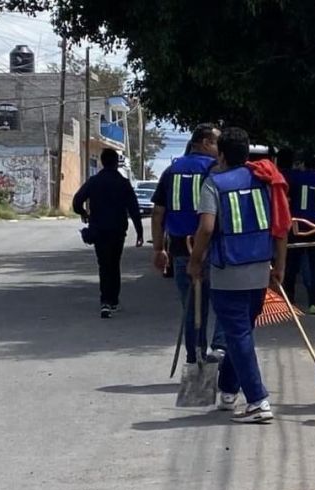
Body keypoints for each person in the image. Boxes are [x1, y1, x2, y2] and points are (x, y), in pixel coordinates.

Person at [188, 127, 291, 423]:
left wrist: (196, 261)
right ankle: (228, 390)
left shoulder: (214, 184)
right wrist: (280, 266)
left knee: (238, 334)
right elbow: (280, 228)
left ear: (220, 154)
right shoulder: (265, 181)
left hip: (227, 272)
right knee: (241, 331)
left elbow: (206, 228)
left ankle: (258, 401)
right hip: (259, 268)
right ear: (246, 153)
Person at [151, 124, 226, 374]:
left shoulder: (171, 171)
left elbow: (158, 212)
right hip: (213, 249)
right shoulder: (215, 171)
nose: (219, 148)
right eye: (217, 142)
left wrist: (159, 248)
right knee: (227, 302)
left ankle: (195, 360)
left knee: (193, 310)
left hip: (181, 250)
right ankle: (218, 348)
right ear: (205, 143)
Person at [73, 148, 144, 318]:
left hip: (99, 230)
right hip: (118, 230)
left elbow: (77, 201)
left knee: (104, 265)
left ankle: (105, 301)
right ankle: (113, 301)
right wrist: (140, 233)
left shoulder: (94, 181)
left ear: (102, 162)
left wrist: (84, 213)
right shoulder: (123, 183)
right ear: (116, 162)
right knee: (114, 264)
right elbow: (134, 209)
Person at [278, 148, 315, 314]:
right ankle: (314, 303)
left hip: (297, 226)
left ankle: (290, 300)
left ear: (302, 163)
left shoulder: (294, 178)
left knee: (292, 265)